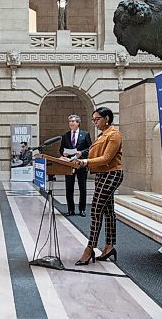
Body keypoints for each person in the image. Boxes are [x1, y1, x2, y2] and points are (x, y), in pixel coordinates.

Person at [73, 107, 123, 266]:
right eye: (93, 119)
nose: (94, 122)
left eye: (97, 119)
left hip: (112, 173)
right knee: (108, 211)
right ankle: (109, 246)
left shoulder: (114, 134)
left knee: (95, 209)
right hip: (101, 174)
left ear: (107, 118)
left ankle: (90, 248)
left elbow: (107, 158)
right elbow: (95, 153)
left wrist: (86, 162)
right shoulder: (102, 135)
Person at [59, 115, 92, 217]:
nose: (71, 123)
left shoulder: (85, 134)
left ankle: (82, 209)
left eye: (73, 121)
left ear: (78, 123)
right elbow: (61, 149)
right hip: (69, 164)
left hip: (80, 164)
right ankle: (70, 210)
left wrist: (81, 153)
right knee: (69, 188)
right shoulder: (66, 135)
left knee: (82, 187)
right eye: (70, 121)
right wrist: (63, 153)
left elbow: (90, 148)